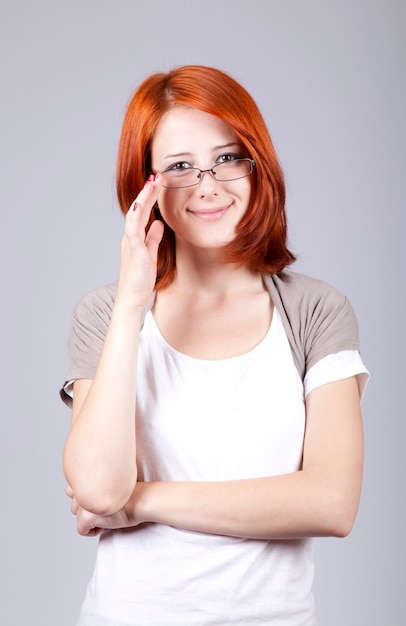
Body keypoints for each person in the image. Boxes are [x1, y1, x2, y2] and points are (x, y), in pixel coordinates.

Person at [60, 65, 369, 626]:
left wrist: (143, 501)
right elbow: (101, 488)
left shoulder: (315, 310)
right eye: (179, 167)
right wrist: (132, 305)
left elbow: (332, 502)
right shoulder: (105, 314)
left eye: (228, 157)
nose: (208, 185)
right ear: (145, 187)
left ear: (258, 165)